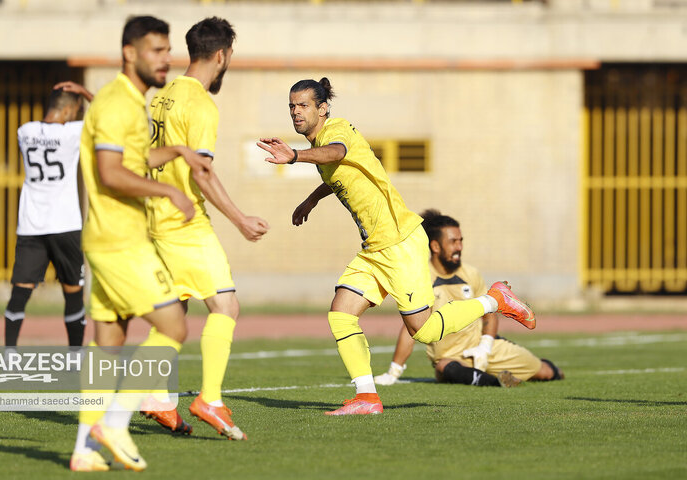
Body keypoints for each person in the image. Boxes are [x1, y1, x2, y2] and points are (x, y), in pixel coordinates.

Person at [257, 78, 536, 416]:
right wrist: (311, 200)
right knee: (341, 313)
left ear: (323, 108)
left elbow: (338, 153)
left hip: (400, 243)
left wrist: (295, 157)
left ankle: (495, 298)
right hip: (375, 249)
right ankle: (367, 398)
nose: (295, 112)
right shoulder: (320, 144)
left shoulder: (338, 130)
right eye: (291, 106)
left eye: (302, 105)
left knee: (425, 330)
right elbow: (340, 172)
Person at [69, 15, 212, 472]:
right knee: (174, 327)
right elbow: (110, 173)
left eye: (168, 50)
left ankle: (83, 449)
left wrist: (174, 152)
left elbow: (133, 158)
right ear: (129, 53)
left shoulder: (133, 101)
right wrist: (169, 189)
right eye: (156, 50)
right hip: (120, 241)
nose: (166, 59)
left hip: (108, 239)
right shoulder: (117, 102)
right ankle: (114, 423)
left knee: (107, 342)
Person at [142, 16, 269, 441]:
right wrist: (240, 219)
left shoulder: (162, 96)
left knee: (173, 317)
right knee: (226, 307)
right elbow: (202, 172)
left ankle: (156, 398)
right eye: (230, 56)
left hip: (155, 220)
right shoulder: (199, 102)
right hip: (185, 223)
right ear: (222, 55)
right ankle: (209, 398)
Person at [374, 210, 564, 387]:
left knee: (544, 373)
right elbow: (411, 328)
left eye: (461, 240)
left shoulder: (471, 274)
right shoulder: (421, 278)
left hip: (484, 349)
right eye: (453, 241)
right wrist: (394, 372)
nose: (459, 247)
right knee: (444, 367)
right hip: (450, 358)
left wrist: (485, 346)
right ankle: (499, 382)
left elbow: (490, 312)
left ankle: (553, 371)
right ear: (435, 246)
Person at [5, 82, 93, 348]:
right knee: (74, 294)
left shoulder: (25, 131)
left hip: (31, 225)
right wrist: (86, 93)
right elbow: (105, 113)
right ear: (67, 110)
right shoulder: (72, 134)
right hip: (66, 224)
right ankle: (75, 355)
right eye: (76, 110)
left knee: (20, 293)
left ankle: (9, 354)